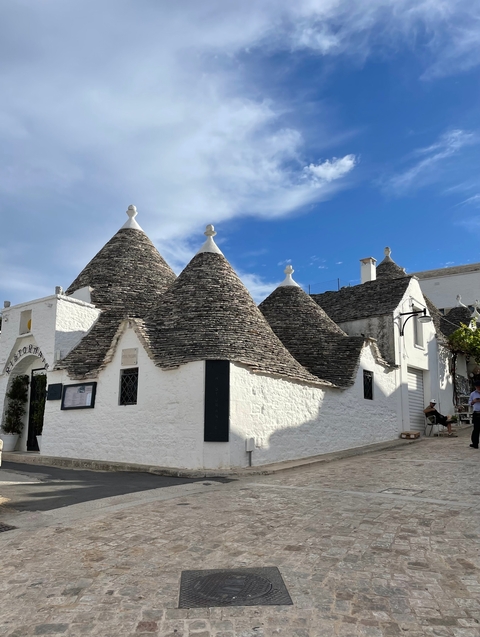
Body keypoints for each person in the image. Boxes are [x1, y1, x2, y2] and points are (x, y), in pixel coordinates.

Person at [468, 381, 480, 449]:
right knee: (476, 429)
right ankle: (475, 443)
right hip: (476, 413)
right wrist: (473, 401)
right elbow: (469, 402)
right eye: (477, 387)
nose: (478, 388)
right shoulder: (473, 394)